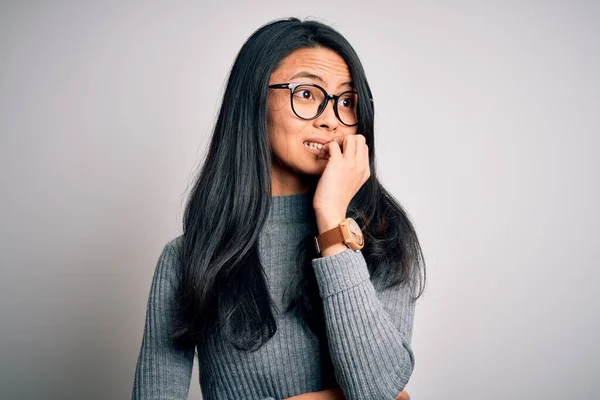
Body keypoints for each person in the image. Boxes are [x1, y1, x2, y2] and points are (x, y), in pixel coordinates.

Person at [132, 17, 425, 400]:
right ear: (254, 101)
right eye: (306, 93)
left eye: (347, 101)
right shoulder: (188, 258)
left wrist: (332, 222)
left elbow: (377, 391)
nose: (330, 119)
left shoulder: (383, 238)